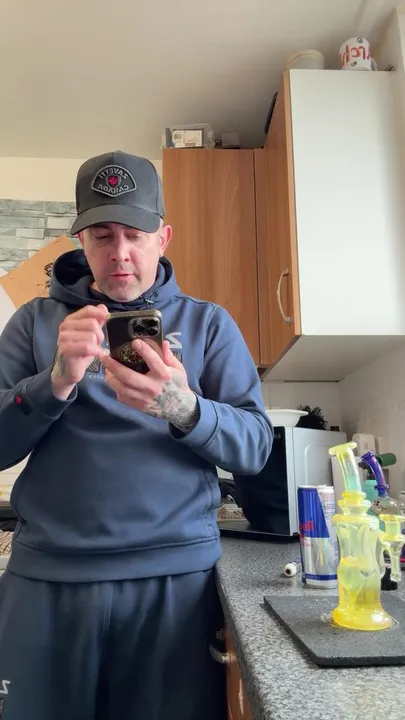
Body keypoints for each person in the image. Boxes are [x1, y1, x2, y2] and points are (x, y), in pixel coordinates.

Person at [0, 151, 273, 720]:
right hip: (48, 579)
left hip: (176, 582)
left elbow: (254, 447)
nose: (119, 252)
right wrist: (53, 383)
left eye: (135, 234)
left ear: (162, 238)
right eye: (102, 235)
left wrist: (184, 408)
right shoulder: (33, 323)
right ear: (81, 241)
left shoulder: (208, 323)